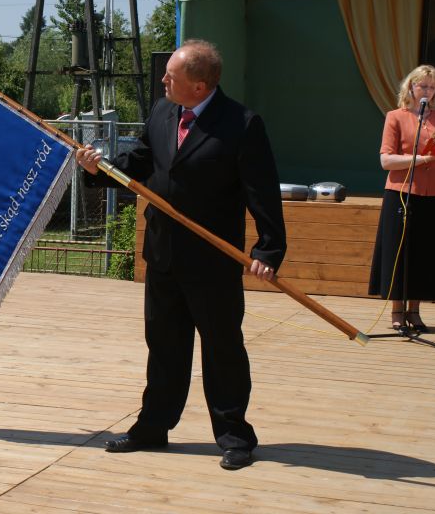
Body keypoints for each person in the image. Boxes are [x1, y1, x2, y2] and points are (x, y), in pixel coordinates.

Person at [75, 39, 286, 470]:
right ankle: (153, 427)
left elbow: (262, 191)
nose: (163, 81)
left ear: (201, 86)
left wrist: (268, 248)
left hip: (213, 259)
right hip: (164, 252)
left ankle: (234, 436)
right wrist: (100, 167)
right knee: (164, 345)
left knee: (222, 349)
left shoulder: (241, 124)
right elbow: (140, 160)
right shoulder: (163, 111)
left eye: (171, 76)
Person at [368, 65, 435, 332]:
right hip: (401, 193)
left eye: (432, 87)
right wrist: (421, 159)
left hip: (433, 194)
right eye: (423, 86)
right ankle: (397, 311)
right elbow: (386, 160)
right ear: (411, 87)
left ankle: (414, 311)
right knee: (399, 252)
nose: (428, 91)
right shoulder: (396, 117)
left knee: (424, 252)